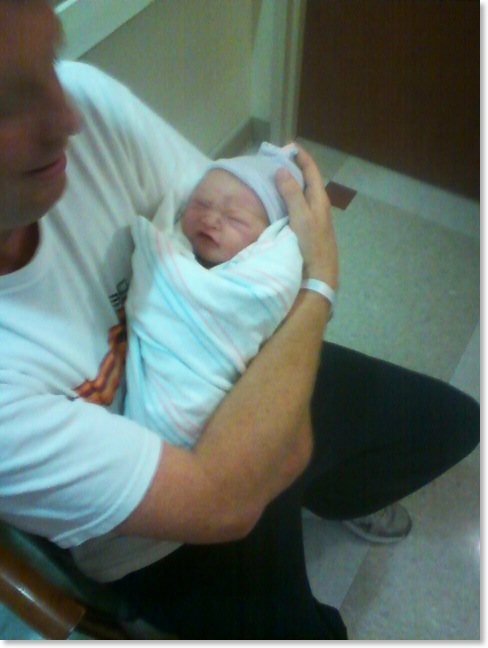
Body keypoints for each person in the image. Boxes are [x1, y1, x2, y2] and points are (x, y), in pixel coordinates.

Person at [0, 0, 479, 639]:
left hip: (231, 368)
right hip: (160, 532)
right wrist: (320, 283)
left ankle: (326, 493)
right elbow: (224, 502)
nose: (69, 118)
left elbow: (233, 220)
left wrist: (280, 445)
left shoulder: (86, 104)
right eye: (4, 101)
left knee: (451, 424)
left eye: (50, 60)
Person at [125, 142, 307, 446]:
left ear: (265, 238)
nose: (210, 220)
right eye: (200, 204)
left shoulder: (259, 279)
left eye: (235, 219)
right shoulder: (167, 252)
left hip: (213, 418)